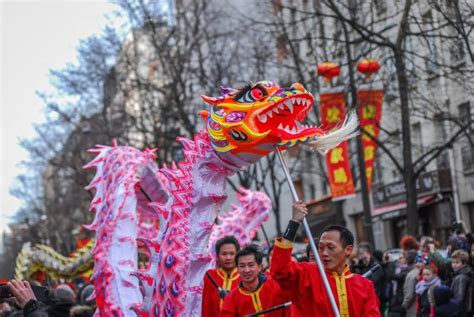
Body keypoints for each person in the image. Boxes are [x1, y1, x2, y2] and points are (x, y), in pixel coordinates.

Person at [270, 201, 380, 316]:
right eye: (321, 248)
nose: (324, 253)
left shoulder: (365, 285)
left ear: (348, 250)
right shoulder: (308, 274)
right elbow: (279, 270)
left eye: (330, 247)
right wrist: (294, 223)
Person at [219, 245, 291, 317]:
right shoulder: (231, 298)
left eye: (251, 265)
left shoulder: (275, 286)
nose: (247, 270)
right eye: (242, 266)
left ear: (260, 267)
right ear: (237, 268)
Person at [202, 236, 241, 317]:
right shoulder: (208, 276)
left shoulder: (245, 278)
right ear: (217, 256)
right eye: (224, 254)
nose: (228, 258)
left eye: (232, 254)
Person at [450, 250, 471, 316]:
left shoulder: (461, 278)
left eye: (457, 262)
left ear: (464, 263)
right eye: (453, 262)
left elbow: (459, 299)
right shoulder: (463, 274)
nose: (454, 265)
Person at [401, 250, 420, 317]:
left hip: (413, 307)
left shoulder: (411, 274)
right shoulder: (419, 271)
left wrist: (404, 305)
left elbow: (409, 294)